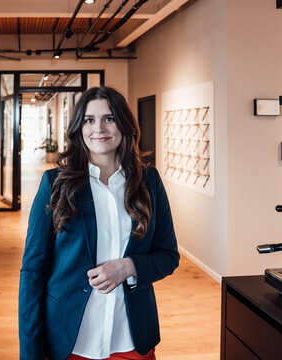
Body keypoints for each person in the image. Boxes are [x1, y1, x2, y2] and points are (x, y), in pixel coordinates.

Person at [19, 86, 179, 360]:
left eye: (109, 118)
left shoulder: (149, 182)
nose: (99, 128)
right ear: (79, 127)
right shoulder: (55, 184)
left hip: (131, 339)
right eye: (89, 120)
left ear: (124, 124)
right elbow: (33, 272)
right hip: (70, 340)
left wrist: (130, 267)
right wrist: (31, 352)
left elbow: (168, 255)